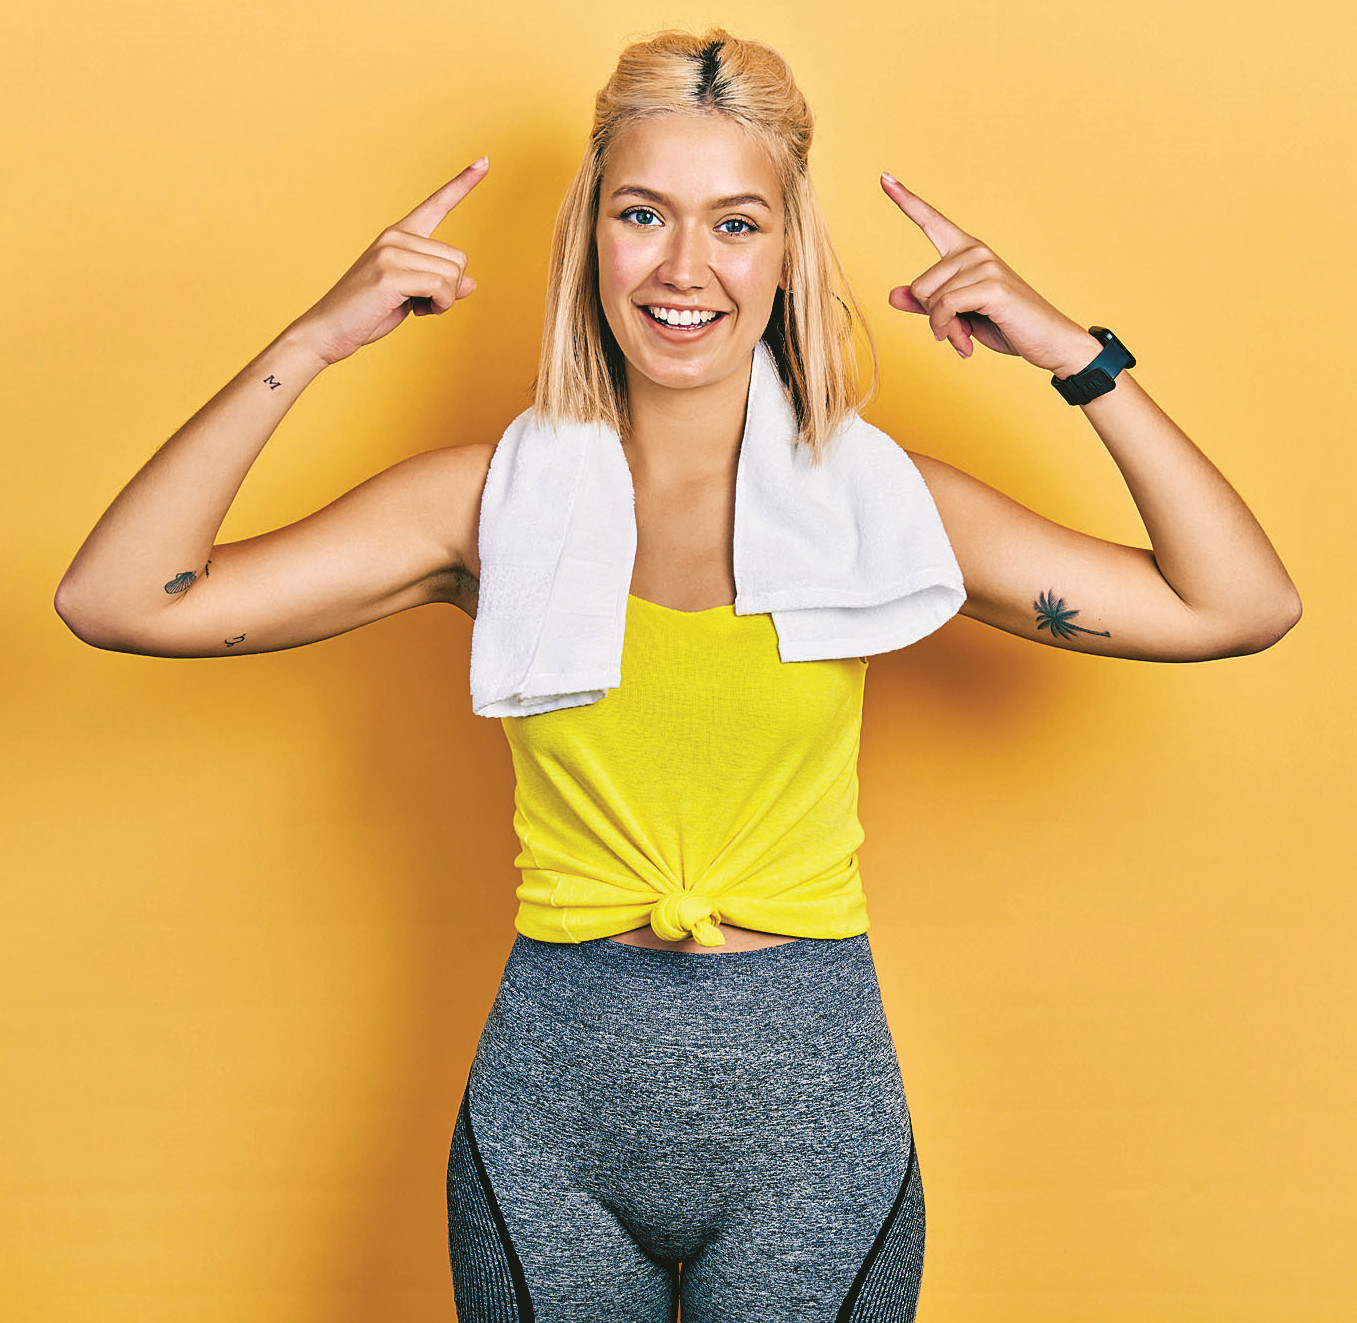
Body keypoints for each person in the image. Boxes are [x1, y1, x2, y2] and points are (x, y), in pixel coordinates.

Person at [54, 26, 1299, 1323]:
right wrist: (313, 342)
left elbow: (1236, 603)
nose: (684, 268)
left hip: (810, 1126)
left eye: (736, 224)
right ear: (589, 239)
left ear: (788, 253)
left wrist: (1073, 357)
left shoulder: (880, 511)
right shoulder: (486, 507)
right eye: (642, 214)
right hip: (549, 1123)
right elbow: (119, 598)